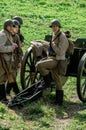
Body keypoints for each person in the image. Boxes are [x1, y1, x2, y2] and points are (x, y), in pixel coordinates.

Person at [36, 19, 69, 106]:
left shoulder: (62, 37)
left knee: (39, 65)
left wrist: (53, 45)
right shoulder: (54, 34)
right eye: (52, 26)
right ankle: (59, 101)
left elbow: (60, 51)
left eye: (55, 26)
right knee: (57, 80)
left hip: (58, 60)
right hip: (52, 57)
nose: (54, 28)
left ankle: (47, 82)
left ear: (59, 27)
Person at [0, 19, 18, 101]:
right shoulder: (3, 34)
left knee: (3, 78)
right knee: (1, 78)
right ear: (6, 26)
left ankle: (3, 97)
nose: (11, 27)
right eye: (10, 26)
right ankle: (2, 98)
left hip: (6, 60)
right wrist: (12, 47)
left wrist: (12, 44)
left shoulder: (8, 34)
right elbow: (1, 48)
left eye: (12, 26)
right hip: (2, 60)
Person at [6, 19, 23, 96]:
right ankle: (17, 93)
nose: (18, 29)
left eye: (18, 27)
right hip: (6, 60)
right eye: (15, 27)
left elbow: (19, 51)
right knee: (11, 77)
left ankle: (8, 92)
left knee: (13, 77)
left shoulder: (16, 37)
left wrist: (19, 61)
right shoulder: (5, 35)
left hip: (14, 60)